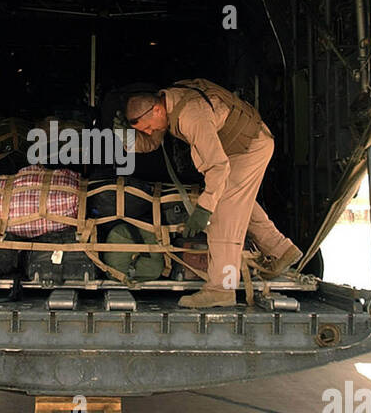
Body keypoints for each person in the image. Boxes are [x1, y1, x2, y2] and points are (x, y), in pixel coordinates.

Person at [124, 79, 302, 307]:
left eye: (148, 126)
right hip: (238, 150)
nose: (150, 131)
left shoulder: (191, 115)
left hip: (249, 149)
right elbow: (151, 143)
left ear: (157, 109)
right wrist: (124, 138)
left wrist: (204, 210)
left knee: (223, 216)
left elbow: (218, 167)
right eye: (144, 130)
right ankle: (282, 250)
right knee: (236, 203)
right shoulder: (167, 106)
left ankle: (222, 289)